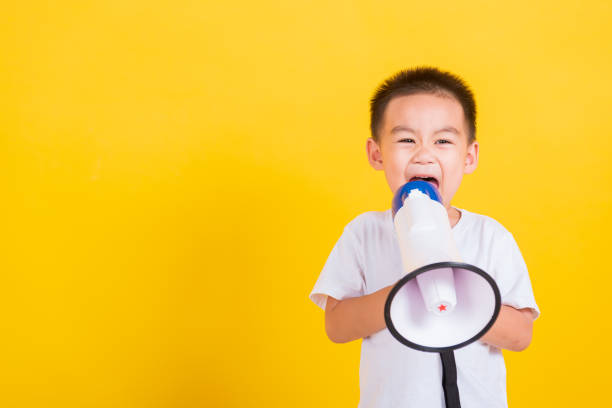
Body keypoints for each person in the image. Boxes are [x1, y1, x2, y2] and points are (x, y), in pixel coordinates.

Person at [309, 67, 540, 408]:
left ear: (469, 156)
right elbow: (336, 326)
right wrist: (403, 293)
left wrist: (464, 299)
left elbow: (521, 335)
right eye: (406, 140)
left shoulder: (491, 236)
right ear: (376, 154)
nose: (424, 154)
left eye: (443, 140)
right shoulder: (364, 233)